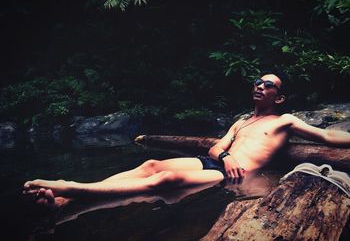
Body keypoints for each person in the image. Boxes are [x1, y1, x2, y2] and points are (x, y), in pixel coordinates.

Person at [23, 73, 350, 208]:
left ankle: (74, 189)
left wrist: (227, 161)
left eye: (268, 84)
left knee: (166, 179)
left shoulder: (284, 121)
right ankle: (68, 200)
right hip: (220, 164)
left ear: (279, 97)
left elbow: (327, 136)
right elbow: (216, 147)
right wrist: (224, 154)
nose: (259, 86)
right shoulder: (241, 121)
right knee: (150, 164)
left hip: (234, 176)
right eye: (257, 82)